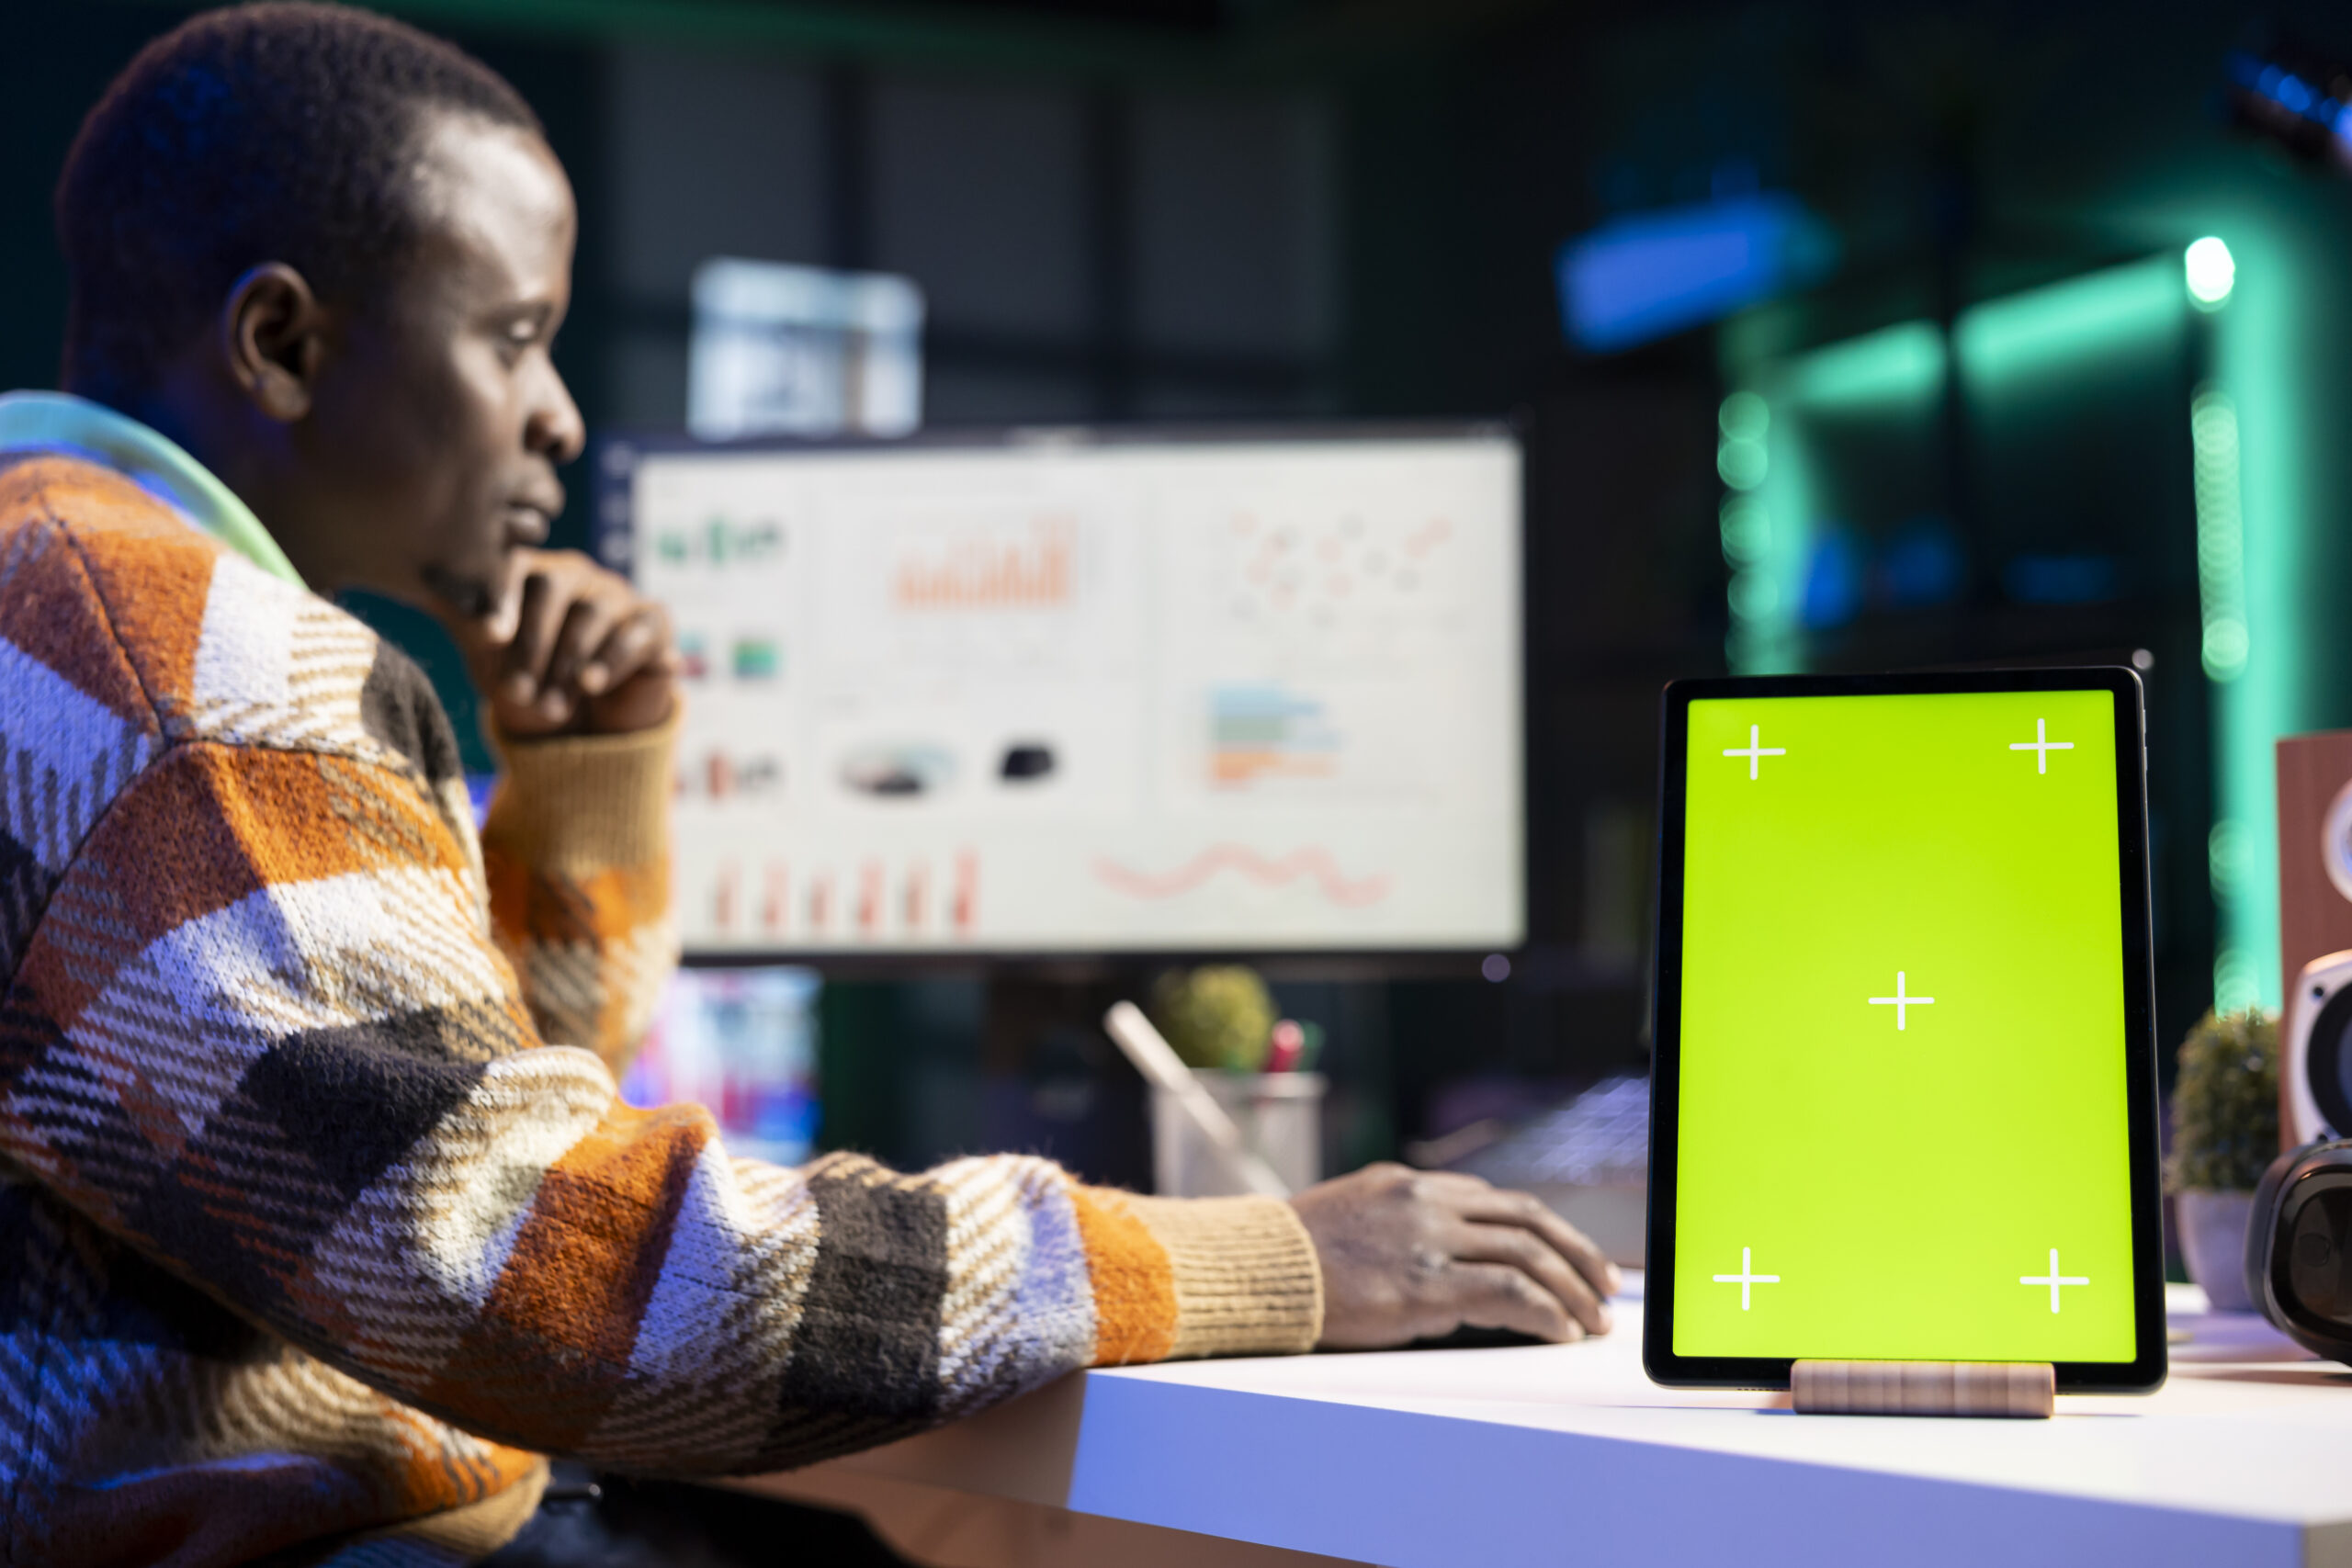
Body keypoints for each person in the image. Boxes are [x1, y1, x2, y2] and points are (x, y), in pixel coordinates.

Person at [0, 6, 1619, 1565]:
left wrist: (584, 780)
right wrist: (1274, 1260)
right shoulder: (185, 675)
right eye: (513, 338)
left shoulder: (66, 589)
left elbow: (436, 1161)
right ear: (282, 342)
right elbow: (553, 1278)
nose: (557, 414)